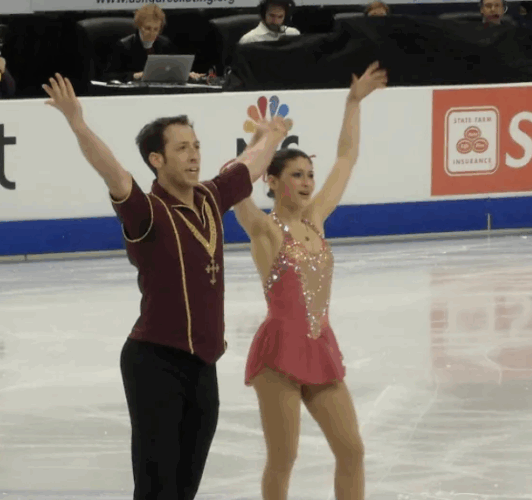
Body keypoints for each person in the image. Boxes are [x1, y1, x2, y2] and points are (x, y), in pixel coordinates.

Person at [42, 73, 290, 500]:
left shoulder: (212, 197)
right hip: (154, 363)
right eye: (182, 148)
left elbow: (249, 166)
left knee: (185, 487)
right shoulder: (147, 212)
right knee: (157, 489)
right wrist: (78, 124)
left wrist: (270, 134)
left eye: (196, 146)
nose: (194, 156)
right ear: (157, 160)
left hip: (203, 365)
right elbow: (113, 172)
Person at [225, 62, 386, 500]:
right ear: (273, 181)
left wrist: (353, 103)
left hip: (320, 346)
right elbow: (230, 185)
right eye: (296, 175)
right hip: (278, 354)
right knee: (284, 458)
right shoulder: (265, 230)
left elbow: (346, 158)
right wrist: (260, 144)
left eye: (309, 174)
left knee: (351, 450)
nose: (308, 182)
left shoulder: (317, 220)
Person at [104, 5, 203, 82]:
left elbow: (170, 68)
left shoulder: (165, 44)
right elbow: (107, 76)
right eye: (147, 28)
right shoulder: (124, 46)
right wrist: (134, 75)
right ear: (139, 26)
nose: (152, 33)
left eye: (156, 29)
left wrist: (185, 74)